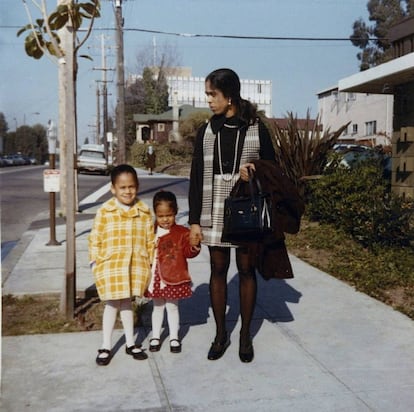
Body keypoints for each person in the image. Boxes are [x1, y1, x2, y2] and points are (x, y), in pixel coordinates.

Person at [188, 68, 276, 363]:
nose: (208, 100)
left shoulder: (255, 128)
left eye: (212, 94)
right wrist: (194, 223)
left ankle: (245, 334)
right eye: (208, 94)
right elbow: (196, 176)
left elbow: (272, 170)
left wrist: (252, 171)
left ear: (230, 96)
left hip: (245, 207)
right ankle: (220, 333)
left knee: (247, 270)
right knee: (217, 269)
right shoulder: (207, 130)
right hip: (213, 207)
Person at [89, 164, 155, 366]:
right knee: (111, 304)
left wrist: (151, 264)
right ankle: (106, 345)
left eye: (132, 187)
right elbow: (95, 238)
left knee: (127, 303)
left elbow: (150, 240)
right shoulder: (105, 211)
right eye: (123, 187)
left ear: (137, 186)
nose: (128, 191)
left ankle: (130, 342)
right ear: (113, 189)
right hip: (111, 265)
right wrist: (94, 261)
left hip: (134, 265)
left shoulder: (144, 212)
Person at [145, 190, 200, 353]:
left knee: (172, 307)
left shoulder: (182, 233)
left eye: (169, 215)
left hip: (173, 277)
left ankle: (174, 337)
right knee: (157, 307)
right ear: (155, 214)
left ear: (175, 212)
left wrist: (194, 245)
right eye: (161, 216)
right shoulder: (150, 231)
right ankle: (155, 336)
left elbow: (189, 253)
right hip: (155, 276)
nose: (165, 219)